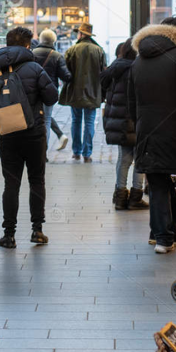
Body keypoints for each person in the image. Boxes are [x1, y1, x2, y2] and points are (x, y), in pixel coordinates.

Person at [127, 16, 176, 254]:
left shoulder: (138, 61)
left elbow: (131, 104)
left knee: (158, 184)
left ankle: (162, 238)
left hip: (147, 131)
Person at [0, 26, 58, 248]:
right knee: (37, 180)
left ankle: (9, 234)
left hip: (7, 134)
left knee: (11, 184)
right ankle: (37, 230)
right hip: (34, 133)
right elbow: (52, 96)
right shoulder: (34, 68)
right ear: (28, 45)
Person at [102, 41, 145, 211]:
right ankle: (136, 197)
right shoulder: (138, 69)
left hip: (119, 121)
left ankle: (120, 196)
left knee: (124, 158)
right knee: (140, 159)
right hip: (136, 119)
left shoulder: (115, 68)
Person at [61, 23, 106, 163]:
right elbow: (104, 73)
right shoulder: (99, 50)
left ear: (80, 34)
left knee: (76, 121)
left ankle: (76, 152)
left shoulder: (72, 50)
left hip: (75, 92)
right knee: (89, 122)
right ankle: (87, 153)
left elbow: (65, 72)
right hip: (93, 92)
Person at [31, 28, 71, 153]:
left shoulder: (32, 53)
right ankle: (43, 151)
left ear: (41, 39)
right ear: (54, 40)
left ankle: (34, 149)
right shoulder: (57, 56)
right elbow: (66, 76)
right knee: (46, 120)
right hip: (49, 92)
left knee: (32, 119)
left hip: (33, 91)